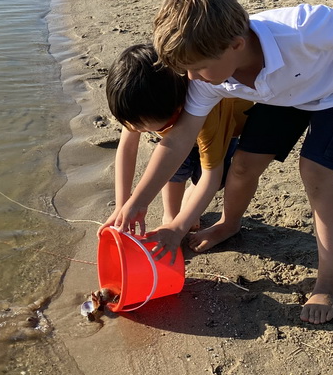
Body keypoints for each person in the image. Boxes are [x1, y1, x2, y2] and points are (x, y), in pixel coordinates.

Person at [102, 0, 333, 324]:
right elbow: (177, 141)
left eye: (197, 67)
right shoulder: (207, 77)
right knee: (242, 166)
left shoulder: (300, 29)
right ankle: (229, 223)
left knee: (315, 172)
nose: (191, 78)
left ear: (237, 45)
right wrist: (136, 203)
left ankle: (332, 280)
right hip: (283, 95)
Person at [106, 44, 251, 238]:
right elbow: (127, 148)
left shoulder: (208, 112)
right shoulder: (138, 104)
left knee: (213, 180)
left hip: (226, 130)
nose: (137, 130)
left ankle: (186, 210)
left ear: (176, 111)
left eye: (144, 128)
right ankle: (170, 214)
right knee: (172, 170)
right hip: (181, 137)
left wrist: (181, 225)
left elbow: (211, 177)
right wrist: (121, 204)